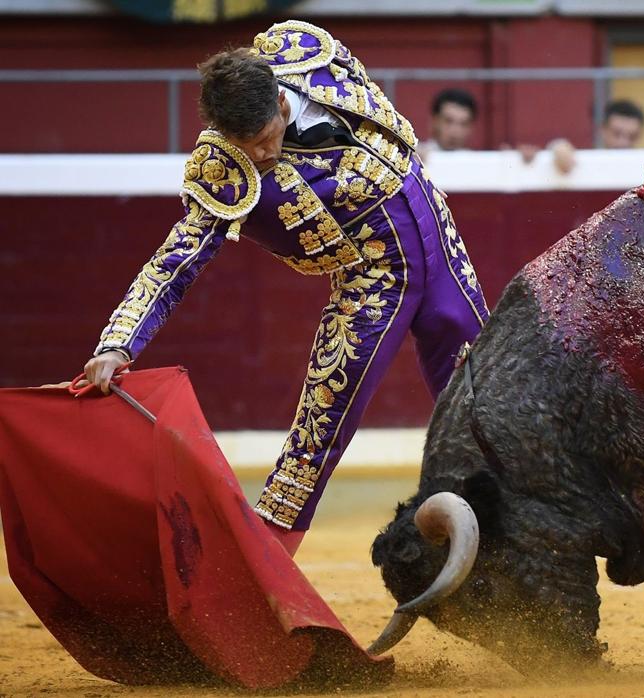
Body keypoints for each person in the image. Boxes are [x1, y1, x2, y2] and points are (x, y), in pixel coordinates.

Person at [81, 19, 489, 556]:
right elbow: (175, 260)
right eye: (245, 147)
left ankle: (510, 524)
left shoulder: (306, 49)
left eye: (264, 139)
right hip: (371, 281)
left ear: (279, 100)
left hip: (435, 231)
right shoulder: (222, 168)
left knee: (482, 392)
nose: (262, 157)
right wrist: (119, 341)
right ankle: (268, 559)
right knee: (321, 421)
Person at [546, 98, 644, 174]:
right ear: (603, 130)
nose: (623, 142)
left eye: (632, 136)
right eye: (616, 134)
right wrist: (557, 146)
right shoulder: (590, 160)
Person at [422, 87, 478, 154]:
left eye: (463, 124)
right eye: (448, 121)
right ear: (434, 121)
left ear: (470, 128)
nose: (455, 131)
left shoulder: (475, 161)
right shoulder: (413, 157)